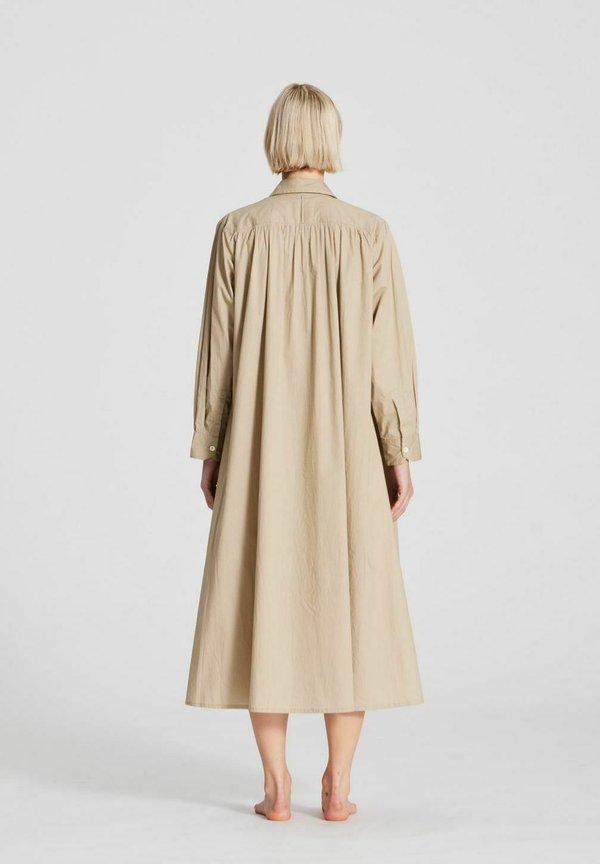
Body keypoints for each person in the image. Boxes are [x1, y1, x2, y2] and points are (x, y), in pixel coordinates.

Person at [185, 83, 424, 822]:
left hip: (260, 448)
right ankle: (339, 788)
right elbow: (388, 362)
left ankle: (277, 787)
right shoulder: (369, 233)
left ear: (275, 137)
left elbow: (219, 356)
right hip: (348, 453)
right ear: (330, 138)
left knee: (267, 604)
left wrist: (211, 445)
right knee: (348, 607)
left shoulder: (237, 231)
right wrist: (398, 451)